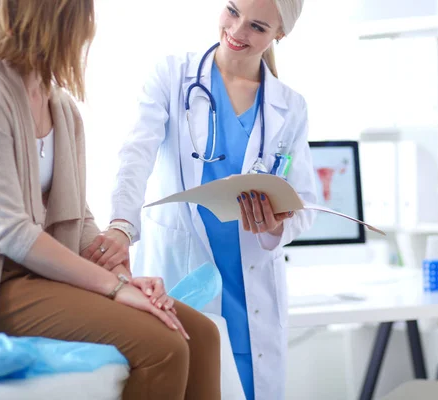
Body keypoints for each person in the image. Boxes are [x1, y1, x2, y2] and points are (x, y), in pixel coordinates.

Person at [0, 1, 221, 399]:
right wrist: (114, 288)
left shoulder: (61, 108)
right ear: (62, 19)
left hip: (34, 277)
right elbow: (11, 234)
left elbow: (77, 218)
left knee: (203, 335)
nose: (91, 25)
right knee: (164, 347)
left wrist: (125, 276)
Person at [90, 0, 318, 398]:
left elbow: (305, 201)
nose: (237, 30)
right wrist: (122, 226)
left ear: (279, 34)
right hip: (183, 273)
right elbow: (135, 154)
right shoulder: (173, 75)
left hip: (250, 291)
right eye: (232, 11)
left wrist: (277, 224)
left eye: (258, 27)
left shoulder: (290, 106)